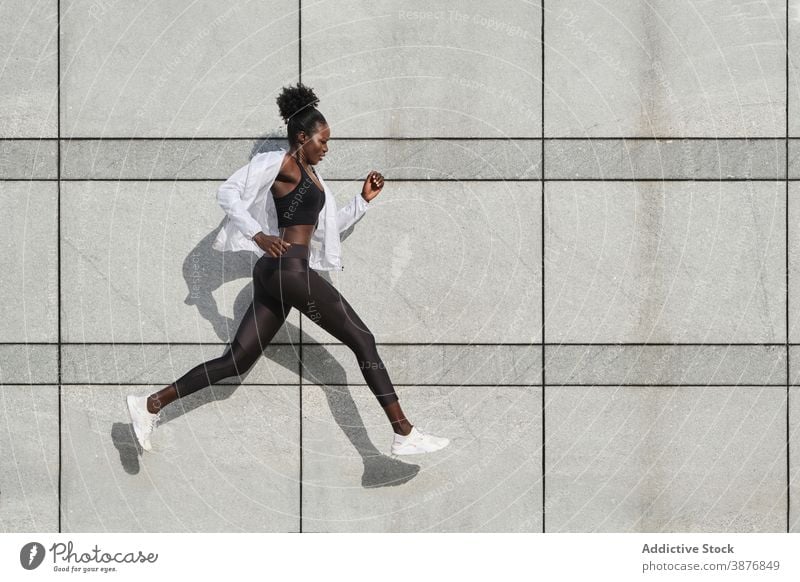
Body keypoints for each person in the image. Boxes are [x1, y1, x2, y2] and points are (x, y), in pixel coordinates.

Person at [126, 82, 449, 457]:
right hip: (288, 270)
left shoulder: (311, 176)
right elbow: (227, 193)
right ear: (301, 137)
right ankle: (403, 432)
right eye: (322, 141)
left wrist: (362, 201)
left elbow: (324, 231)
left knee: (236, 361)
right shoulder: (282, 163)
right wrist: (258, 235)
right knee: (363, 339)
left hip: (277, 274)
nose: (326, 149)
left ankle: (150, 404)